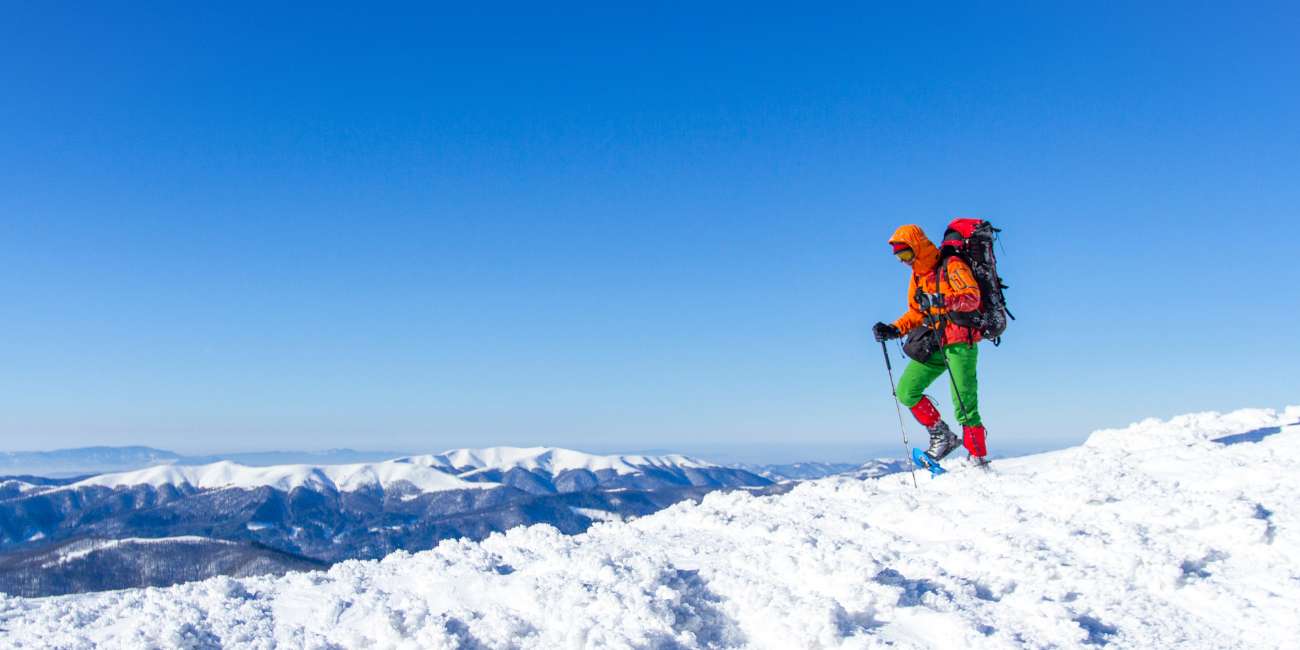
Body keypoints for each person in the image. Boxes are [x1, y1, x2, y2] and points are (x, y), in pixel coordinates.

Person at [872, 224, 989, 465]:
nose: (903, 261)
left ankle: (977, 457)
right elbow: (916, 313)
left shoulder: (952, 266)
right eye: (899, 257)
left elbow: (971, 297)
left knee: (964, 401)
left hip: (959, 340)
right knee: (906, 390)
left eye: (905, 254)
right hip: (934, 341)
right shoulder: (917, 276)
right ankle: (942, 435)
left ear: (918, 248)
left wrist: (942, 300)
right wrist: (894, 328)